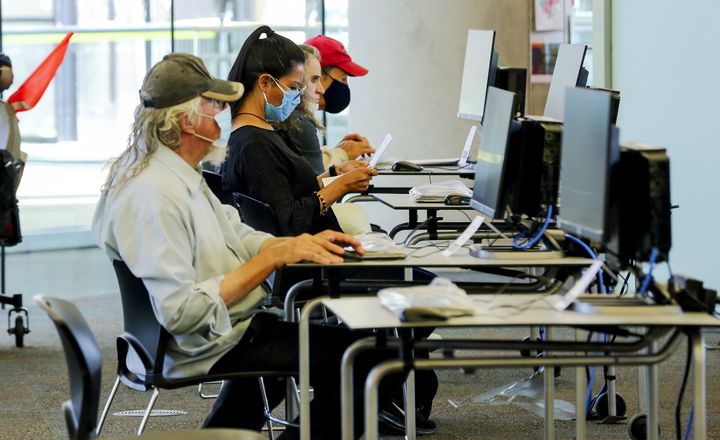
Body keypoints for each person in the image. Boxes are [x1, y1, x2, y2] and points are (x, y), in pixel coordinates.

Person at [92, 52, 401, 440]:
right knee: (376, 358)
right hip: (200, 340)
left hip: (224, 327)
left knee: (287, 345)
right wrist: (271, 259)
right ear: (187, 120)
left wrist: (296, 245)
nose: (224, 114)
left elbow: (235, 233)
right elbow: (182, 313)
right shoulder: (155, 194)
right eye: (215, 105)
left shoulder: (173, 171)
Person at [222, 26, 377, 237]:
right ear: (266, 83)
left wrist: (334, 174)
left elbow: (288, 191)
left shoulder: (261, 131)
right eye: (294, 87)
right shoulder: (254, 144)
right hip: (315, 263)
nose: (297, 96)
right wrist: (341, 186)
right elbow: (289, 223)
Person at [284, 34, 374, 174]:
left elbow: (301, 165)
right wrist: (341, 156)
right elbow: (314, 183)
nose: (320, 89)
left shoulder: (294, 117)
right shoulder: (299, 122)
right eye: (343, 79)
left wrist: (337, 152)